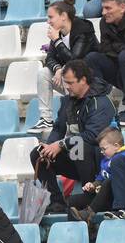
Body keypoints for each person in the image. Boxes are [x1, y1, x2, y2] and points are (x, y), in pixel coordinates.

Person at [31, 59, 116, 213]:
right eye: (65, 83)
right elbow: (58, 127)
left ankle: (90, 194)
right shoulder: (68, 101)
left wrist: (61, 145)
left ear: (83, 80)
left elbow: (93, 136)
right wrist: (50, 146)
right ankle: (56, 201)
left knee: (80, 145)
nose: (66, 87)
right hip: (76, 156)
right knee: (38, 153)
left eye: (70, 83)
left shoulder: (100, 102)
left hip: (99, 161)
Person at [30, 0, 97, 136]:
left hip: (90, 83)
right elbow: (49, 58)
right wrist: (59, 69)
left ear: (64, 16)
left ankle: (73, 120)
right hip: (70, 80)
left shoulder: (84, 29)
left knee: (70, 74)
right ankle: (46, 119)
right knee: (44, 73)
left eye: (51, 17)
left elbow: (75, 60)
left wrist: (57, 41)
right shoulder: (58, 33)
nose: (48, 21)